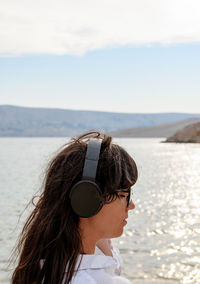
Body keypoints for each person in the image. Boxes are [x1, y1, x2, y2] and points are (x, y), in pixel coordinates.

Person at [11, 131, 138, 284]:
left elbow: (111, 268)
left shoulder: (53, 264)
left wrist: (96, 236)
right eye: (124, 196)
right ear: (87, 199)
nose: (131, 205)